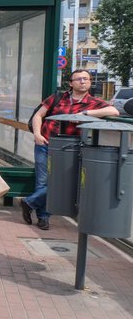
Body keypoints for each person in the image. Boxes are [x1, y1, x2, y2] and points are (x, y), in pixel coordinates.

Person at [21, 69, 118, 230]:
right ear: (71, 83)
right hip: (45, 144)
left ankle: (29, 202)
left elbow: (113, 111)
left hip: (70, 150)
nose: (82, 81)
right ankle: (43, 217)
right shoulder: (58, 98)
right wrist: (37, 135)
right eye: (78, 79)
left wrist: (87, 112)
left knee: (63, 181)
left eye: (86, 79)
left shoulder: (94, 102)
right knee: (42, 182)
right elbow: (39, 115)